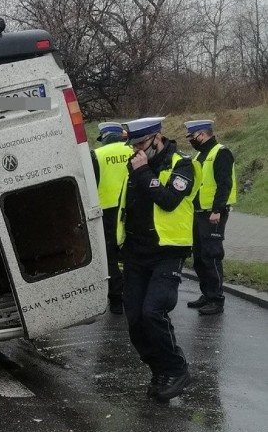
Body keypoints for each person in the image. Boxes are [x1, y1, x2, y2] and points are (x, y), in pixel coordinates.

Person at [116, 117, 199, 402]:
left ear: (157, 138)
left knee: (153, 312)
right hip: (136, 252)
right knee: (136, 320)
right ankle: (159, 370)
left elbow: (167, 200)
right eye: (133, 145)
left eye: (141, 144)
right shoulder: (137, 165)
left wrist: (144, 173)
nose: (136, 151)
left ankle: (176, 369)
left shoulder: (182, 165)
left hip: (167, 252)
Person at [184, 120, 237, 316]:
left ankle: (216, 299)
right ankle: (207, 294)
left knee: (211, 256)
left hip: (213, 214)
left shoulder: (221, 153)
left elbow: (224, 184)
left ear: (202, 134)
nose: (191, 141)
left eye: (192, 137)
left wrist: (217, 209)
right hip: (198, 212)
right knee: (199, 257)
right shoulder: (200, 155)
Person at [91, 122, 132, 314]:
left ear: (105, 136)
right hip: (132, 209)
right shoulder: (135, 150)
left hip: (107, 212)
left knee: (110, 255)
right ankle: (134, 293)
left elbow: (90, 186)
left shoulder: (97, 155)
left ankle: (116, 299)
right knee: (131, 252)